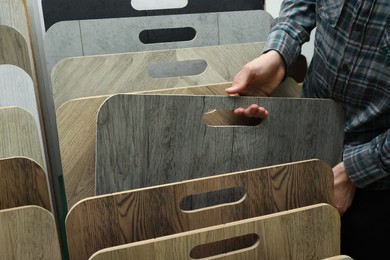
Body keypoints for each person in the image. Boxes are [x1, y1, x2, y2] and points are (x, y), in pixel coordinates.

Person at [225, 0, 390, 259]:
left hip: (378, 184)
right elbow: (301, 5)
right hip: (308, 140)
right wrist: (277, 56)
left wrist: (354, 171)